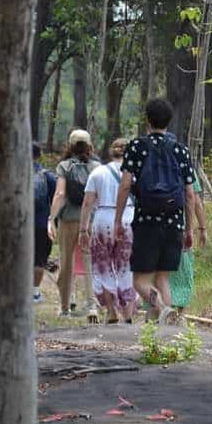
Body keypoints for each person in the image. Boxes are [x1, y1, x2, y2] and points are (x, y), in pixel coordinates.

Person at [113, 99, 198, 324]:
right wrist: (189, 228)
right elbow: (190, 194)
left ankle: (161, 308)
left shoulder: (137, 147)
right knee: (163, 277)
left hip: (146, 221)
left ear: (147, 120)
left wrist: (117, 219)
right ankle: (164, 327)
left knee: (140, 281)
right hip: (173, 223)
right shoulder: (181, 150)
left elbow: (125, 185)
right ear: (169, 121)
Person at [78, 138, 138, 324]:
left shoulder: (98, 172)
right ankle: (128, 313)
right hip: (128, 217)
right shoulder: (135, 173)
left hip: (103, 218)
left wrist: (83, 229)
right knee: (127, 267)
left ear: (111, 152)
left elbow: (88, 202)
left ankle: (111, 312)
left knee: (103, 266)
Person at [48, 129, 101, 319]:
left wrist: (50, 219)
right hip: (90, 220)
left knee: (66, 261)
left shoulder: (64, 166)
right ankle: (91, 306)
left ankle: (64, 309)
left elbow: (60, 194)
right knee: (89, 262)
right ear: (89, 146)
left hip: (68, 219)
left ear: (69, 145)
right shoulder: (97, 167)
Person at [167, 135, 208, 314]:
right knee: (183, 269)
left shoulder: (151, 167)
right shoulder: (185, 169)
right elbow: (194, 200)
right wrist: (201, 228)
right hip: (180, 225)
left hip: (153, 224)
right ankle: (179, 313)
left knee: (157, 270)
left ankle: (155, 312)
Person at [32, 142, 57, 303]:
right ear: (39, 155)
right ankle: (34, 293)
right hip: (41, 224)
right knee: (40, 259)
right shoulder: (47, 176)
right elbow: (57, 199)